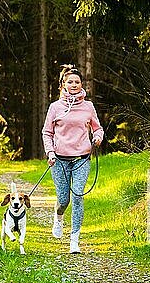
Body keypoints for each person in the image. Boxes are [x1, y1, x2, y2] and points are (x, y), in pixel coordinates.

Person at [42, 64, 104, 254]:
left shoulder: (88, 106)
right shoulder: (55, 107)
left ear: (81, 84)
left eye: (77, 82)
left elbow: (98, 128)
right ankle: (58, 217)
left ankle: (74, 240)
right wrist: (50, 153)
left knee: (77, 196)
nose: (74, 84)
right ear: (63, 85)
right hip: (59, 160)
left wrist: (98, 137)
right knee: (63, 199)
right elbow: (47, 132)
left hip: (82, 159)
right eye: (70, 82)